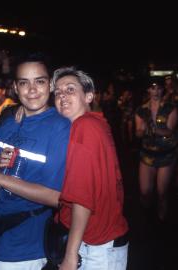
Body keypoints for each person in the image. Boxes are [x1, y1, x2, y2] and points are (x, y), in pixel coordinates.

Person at [0, 52, 71, 270]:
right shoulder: (8, 121)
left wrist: (0, 179)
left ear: (51, 85)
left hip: (23, 244)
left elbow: (56, 197)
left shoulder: (60, 127)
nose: (32, 90)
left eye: (39, 81)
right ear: (15, 88)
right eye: (24, 83)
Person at [52, 67, 129, 270]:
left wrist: (70, 256)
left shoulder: (84, 127)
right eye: (57, 92)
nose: (62, 96)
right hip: (105, 239)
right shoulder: (96, 122)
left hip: (97, 247)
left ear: (88, 96)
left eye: (70, 89)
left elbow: (82, 197)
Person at [135, 77, 178, 221]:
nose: (156, 91)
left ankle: (161, 223)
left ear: (162, 90)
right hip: (147, 155)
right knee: (145, 192)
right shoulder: (141, 110)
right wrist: (141, 131)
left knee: (161, 192)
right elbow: (138, 131)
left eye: (159, 88)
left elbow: (169, 131)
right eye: (153, 88)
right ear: (148, 90)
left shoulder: (170, 108)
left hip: (166, 156)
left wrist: (152, 129)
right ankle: (146, 213)